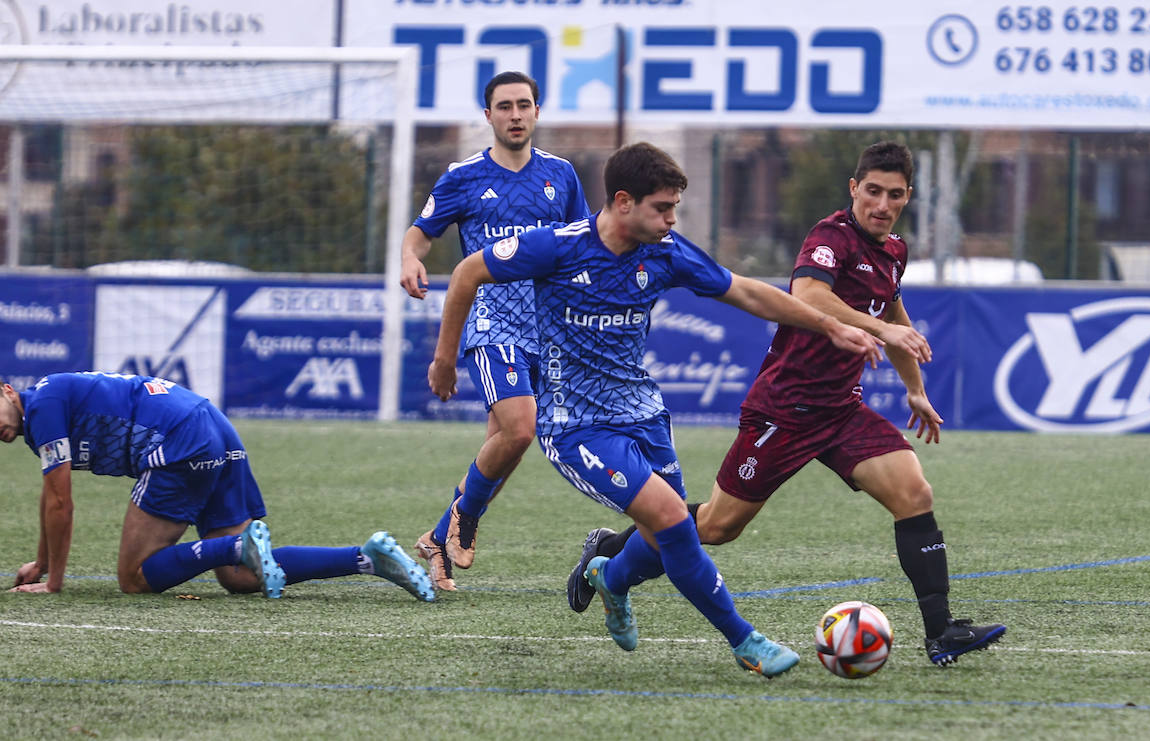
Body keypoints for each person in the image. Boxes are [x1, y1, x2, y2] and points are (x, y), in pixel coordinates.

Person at [428, 142, 883, 675]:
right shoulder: (556, 247)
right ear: (623, 202)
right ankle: (746, 642)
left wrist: (830, 324)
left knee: (663, 534)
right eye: (662, 208)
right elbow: (466, 275)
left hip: (644, 414)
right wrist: (444, 359)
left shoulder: (665, 252)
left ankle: (610, 578)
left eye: (675, 209)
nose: (672, 220)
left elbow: (747, 293)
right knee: (673, 520)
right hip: (576, 427)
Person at [568, 141, 1007, 667]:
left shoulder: (894, 251)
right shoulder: (831, 238)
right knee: (717, 528)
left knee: (913, 492)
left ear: (907, 197)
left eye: (893, 195)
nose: (881, 204)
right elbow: (810, 295)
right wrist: (878, 327)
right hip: (784, 411)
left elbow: (895, 314)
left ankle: (942, 632)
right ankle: (612, 554)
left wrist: (914, 387)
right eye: (872, 191)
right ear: (854, 188)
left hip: (842, 411)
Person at [0, 367, 435, 602]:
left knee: (134, 579)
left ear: (9, 392)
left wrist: (53, 583)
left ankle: (232, 547)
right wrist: (43, 561)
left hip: (179, 441)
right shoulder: (43, 412)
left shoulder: (44, 405)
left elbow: (60, 503)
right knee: (243, 578)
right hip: (213, 425)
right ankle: (367, 557)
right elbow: (49, 499)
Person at [400, 70, 590, 591]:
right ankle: (463, 525)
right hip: (492, 320)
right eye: (504, 106)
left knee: (505, 445)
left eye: (523, 105)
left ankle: (439, 537)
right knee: (521, 428)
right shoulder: (463, 176)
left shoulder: (562, 175)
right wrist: (409, 260)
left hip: (547, 326)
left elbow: (581, 247)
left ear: (536, 112)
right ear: (488, 116)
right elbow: (420, 234)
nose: (514, 115)